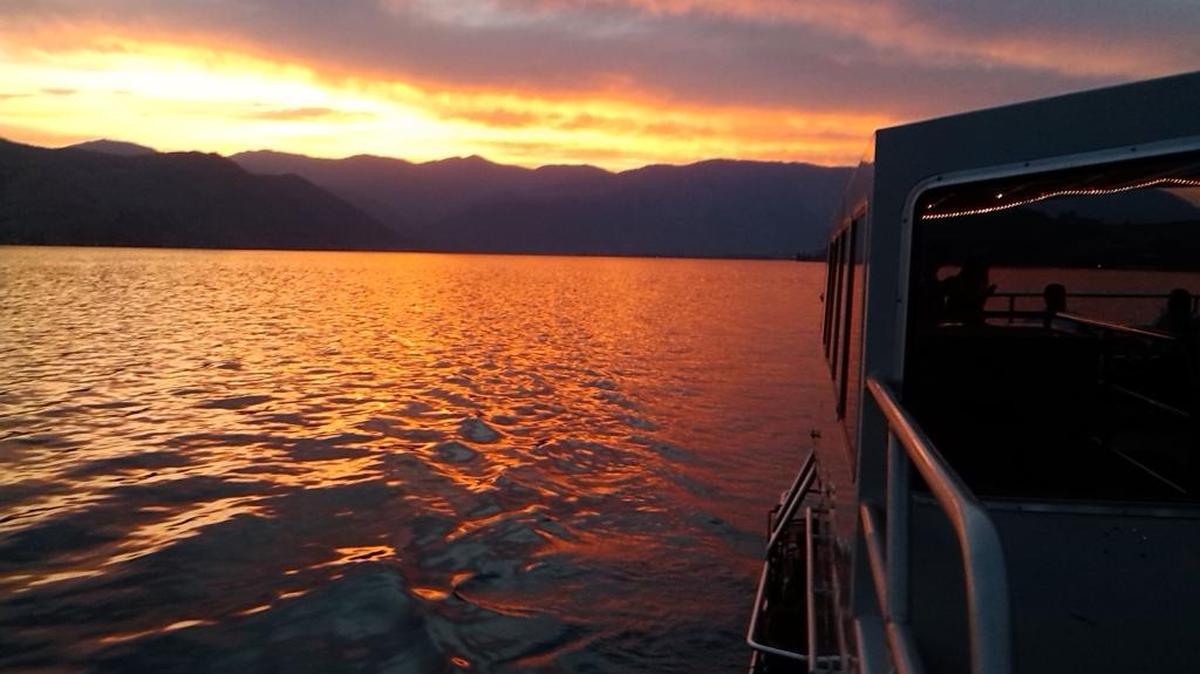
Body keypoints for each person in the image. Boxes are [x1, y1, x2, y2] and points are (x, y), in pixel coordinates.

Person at [941, 257, 996, 325]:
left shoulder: (957, 281)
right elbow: (970, 302)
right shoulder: (965, 283)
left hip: (962, 317)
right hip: (963, 317)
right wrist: (986, 294)